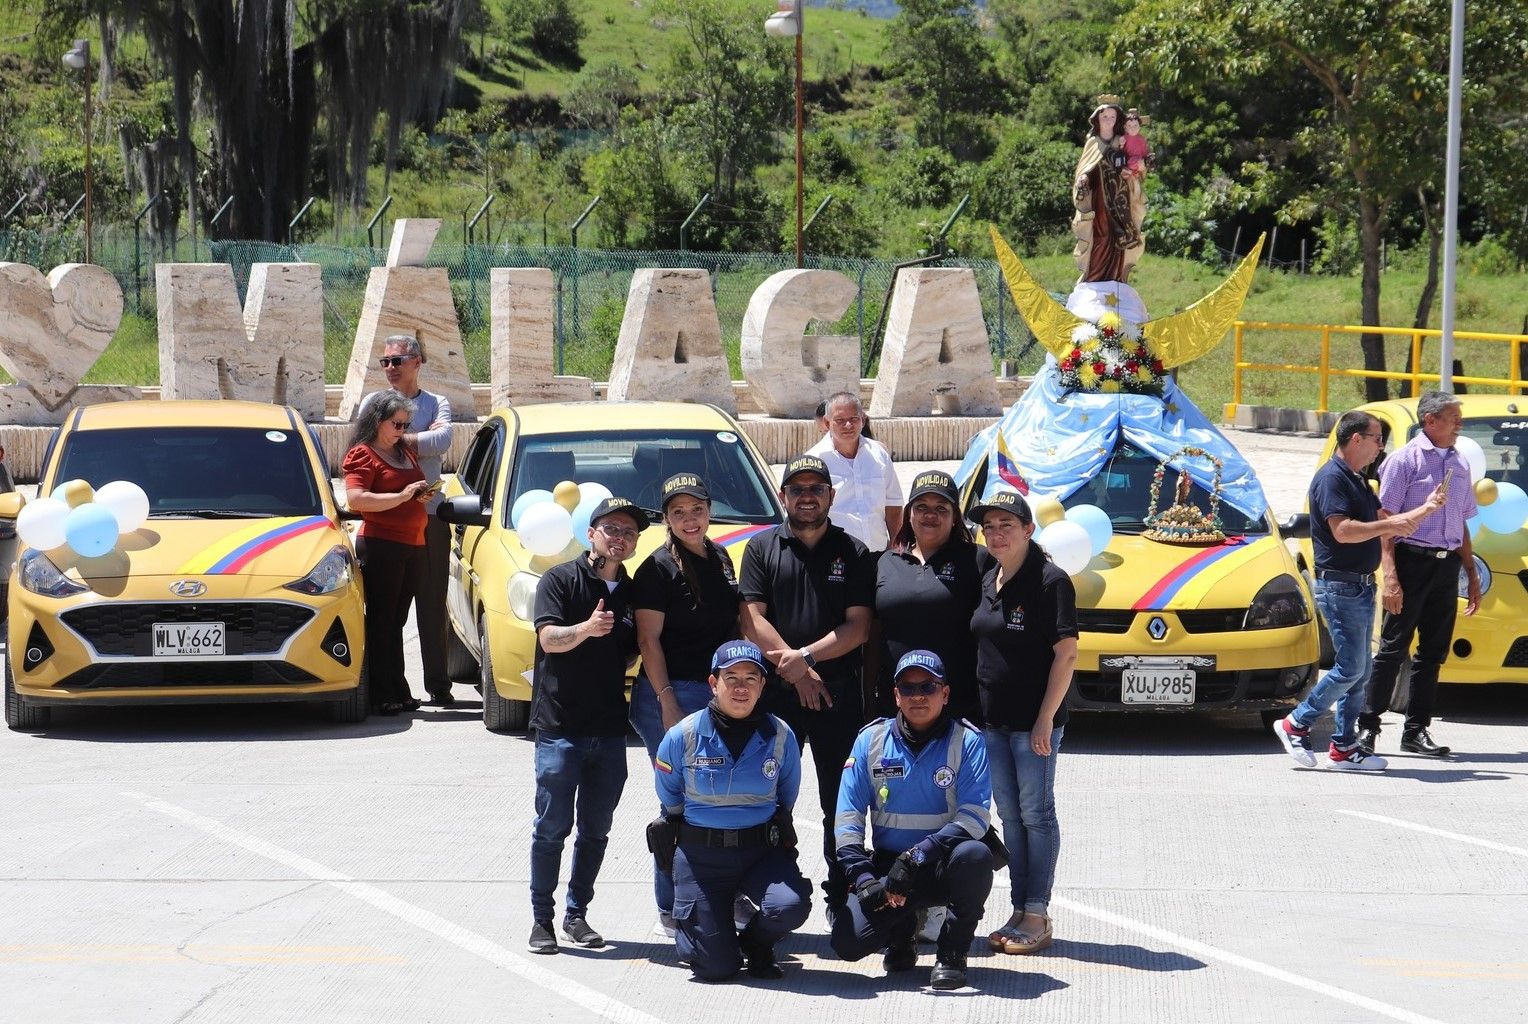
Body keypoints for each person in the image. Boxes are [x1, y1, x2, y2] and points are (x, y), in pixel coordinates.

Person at [740, 453, 874, 917]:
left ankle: (842, 896)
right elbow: (751, 619)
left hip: (838, 696)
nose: (807, 497)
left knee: (839, 802)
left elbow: (858, 627)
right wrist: (797, 672)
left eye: (817, 488)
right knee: (769, 798)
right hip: (777, 696)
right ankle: (774, 894)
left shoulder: (853, 551)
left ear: (831, 496)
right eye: (797, 489)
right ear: (783, 497)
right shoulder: (761, 548)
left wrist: (808, 658)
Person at [1272, 411, 1444, 771]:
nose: (1380, 448)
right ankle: (1297, 723)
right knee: (1350, 668)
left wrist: (1423, 509)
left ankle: (1344, 747)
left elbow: (1382, 518)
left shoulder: (1356, 479)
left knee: (1360, 671)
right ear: (1355, 440)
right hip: (1340, 586)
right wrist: (1392, 522)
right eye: (1377, 439)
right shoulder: (1332, 480)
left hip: (1360, 587)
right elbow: (1344, 531)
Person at [831, 650, 994, 991]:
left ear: (945, 694)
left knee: (976, 857)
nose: (918, 695)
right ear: (896, 695)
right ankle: (900, 937)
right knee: (847, 944)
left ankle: (952, 953)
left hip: (940, 863)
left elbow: (975, 817)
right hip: (890, 869)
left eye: (928, 687)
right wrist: (863, 879)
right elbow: (847, 819)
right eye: (908, 688)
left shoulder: (967, 740)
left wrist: (917, 855)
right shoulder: (870, 741)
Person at [650, 640, 812, 982]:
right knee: (715, 969)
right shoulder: (684, 735)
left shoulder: (781, 735)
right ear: (714, 683)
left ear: (762, 685)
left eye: (751, 678)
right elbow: (670, 796)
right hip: (702, 858)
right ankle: (701, 932)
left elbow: (786, 797)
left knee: (790, 906)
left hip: (758, 853)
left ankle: (755, 944)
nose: (741, 687)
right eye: (731, 677)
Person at [526, 496, 645, 955]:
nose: (620, 538)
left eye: (629, 532)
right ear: (590, 533)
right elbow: (548, 639)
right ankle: (542, 920)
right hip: (560, 728)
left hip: (611, 730)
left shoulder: (633, 593)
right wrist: (585, 630)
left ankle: (577, 915)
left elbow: (634, 650)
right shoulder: (559, 579)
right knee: (551, 827)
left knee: (596, 829)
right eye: (611, 529)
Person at [631, 473, 745, 937]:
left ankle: (722, 896)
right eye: (678, 512)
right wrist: (667, 702)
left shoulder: (720, 558)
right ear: (667, 519)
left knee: (720, 802)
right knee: (678, 805)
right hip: (670, 693)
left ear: (709, 510)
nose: (689, 519)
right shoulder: (656, 569)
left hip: (715, 695)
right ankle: (670, 906)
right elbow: (648, 640)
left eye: (696, 510)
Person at [969, 489, 1077, 956]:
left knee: (1036, 814)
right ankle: (1018, 908)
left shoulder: (1050, 581)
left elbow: (1067, 653)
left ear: (1029, 530)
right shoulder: (989, 577)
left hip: (1033, 724)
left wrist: (1044, 721)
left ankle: (1037, 910)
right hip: (992, 722)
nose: (996, 534)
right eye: (989, 526)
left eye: (1006, 526)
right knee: (1010, 817)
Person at [1359, 391, 1480, 758]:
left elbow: (1460, 519)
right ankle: (1368, 728)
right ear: (1430, 420)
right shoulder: (1404, 460)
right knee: (1393, 649)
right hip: (1411, 563)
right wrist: (1391, 576)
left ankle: (1416, 731)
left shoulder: (1460, 463)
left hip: (1446, 567)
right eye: (1452, 418)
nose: (1459, 424)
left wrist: (1471, 574)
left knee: (1432, 653)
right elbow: (1385, 522)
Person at [356, 335, 455, 706]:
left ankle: (439, 684)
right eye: (385, 362)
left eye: (397, 361)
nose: (390, 369)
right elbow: (364, 443)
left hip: (428, 517)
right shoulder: (373, 403)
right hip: (385, 523)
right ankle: (390, 688)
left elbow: (443, 438)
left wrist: (396, 438)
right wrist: (416, 439)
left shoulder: (435, 402)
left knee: (431, 604)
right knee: (388, 613)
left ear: (417, 362)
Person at [874, 469, 992, 722]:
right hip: (895, 706)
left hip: (958, 708)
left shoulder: (978, 560)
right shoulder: (886, 562)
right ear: (909, 514)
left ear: (954, 517)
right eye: (922, 506)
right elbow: (872, 635)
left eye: (941, 508)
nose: (930, 515)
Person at [342, 392, 431, 716]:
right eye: (396, 424)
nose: (402, 430)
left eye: (406, 424)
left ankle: (399, 688)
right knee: (382, 621)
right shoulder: (362, 455)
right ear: (377, 421)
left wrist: (417, 496)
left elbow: (405, 493)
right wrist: (402, 495)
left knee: (397, 621)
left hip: (412, 544)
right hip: (382, 545)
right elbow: (357, 500)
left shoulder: (403, 450)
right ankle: (382, 694)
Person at [808, 392, 903, 552]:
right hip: (834, 558)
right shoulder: (814, 460)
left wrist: (896, 545)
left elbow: (893, 503)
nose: (848, 425)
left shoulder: (879, 455)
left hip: (877, 556)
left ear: (863, 420)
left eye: (854, 419)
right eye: (840, 420)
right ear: (826, 422)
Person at [1071, 94, 1142, 284]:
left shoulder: (1122, 140)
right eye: (1105, 117)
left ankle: (1116, 277)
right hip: (1100, 199)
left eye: (1112, 117)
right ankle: (1094, 278)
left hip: (1120, 198)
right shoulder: (1092, 143)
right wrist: (1084, 178)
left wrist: (1131, 173)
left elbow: (1135, 164)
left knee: (1119, 238)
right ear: (1097, 119)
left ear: (1118, 119)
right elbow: (1084, 169)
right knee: (1101, 236)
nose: (1109, 120)